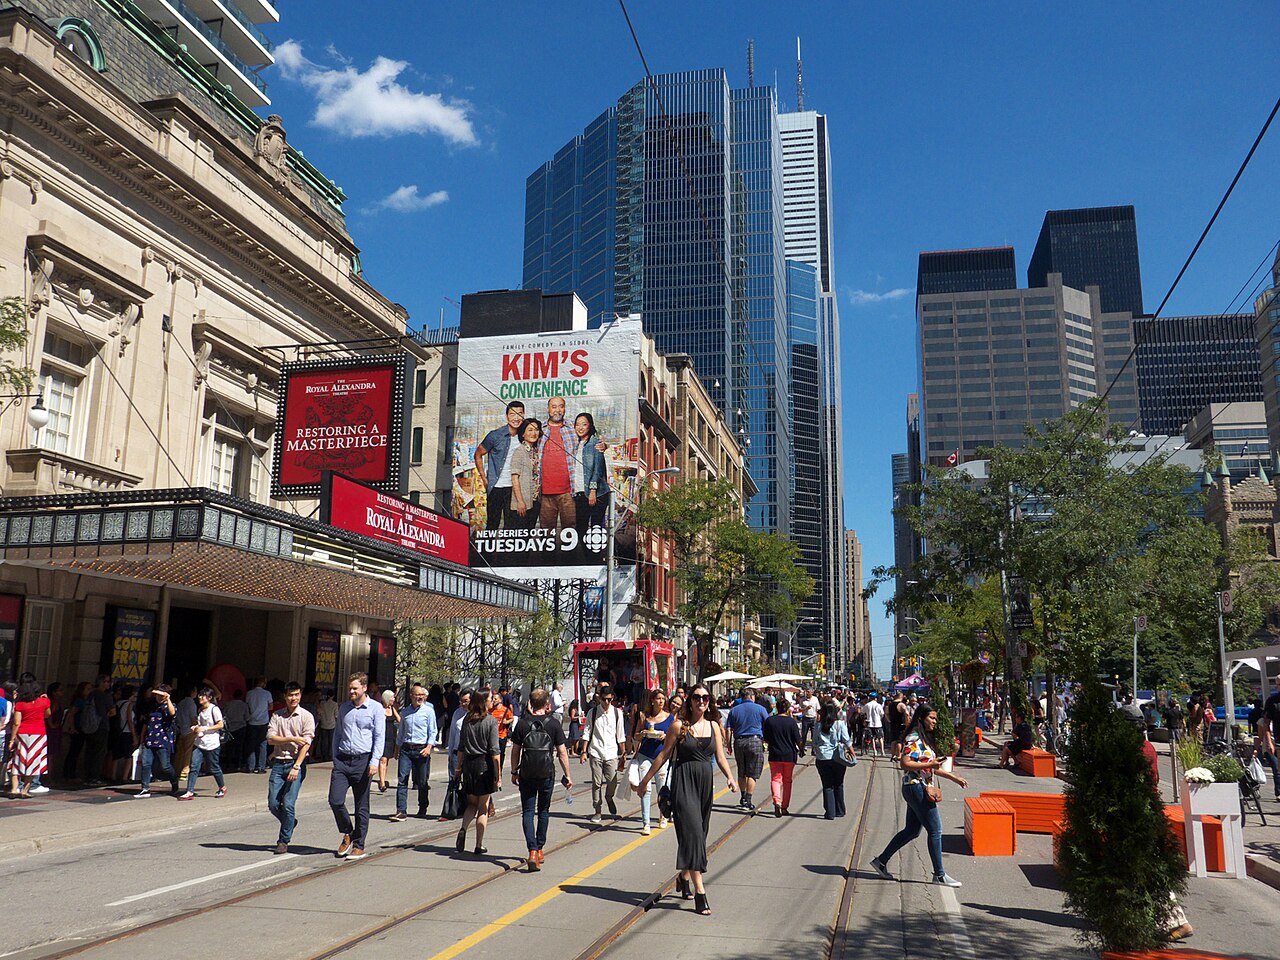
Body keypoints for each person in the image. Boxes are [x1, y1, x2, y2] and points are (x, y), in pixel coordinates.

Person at [634, 684, 737, 917]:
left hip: (704, 786)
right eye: (697, 698)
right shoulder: (679, 726)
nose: (702, 701)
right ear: (690, 701)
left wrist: (731, 778)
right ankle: (701, 893)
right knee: (693, 835)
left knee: (700, 835)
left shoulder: (713, 726)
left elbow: (720, 756)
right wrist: (644, 783)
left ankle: (683, 876)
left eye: (705, 698)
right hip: (683, 783)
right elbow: (662, 755)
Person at [870, 702, 969, 887]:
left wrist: (953, 777)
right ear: (922, 718)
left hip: (915, 786)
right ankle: (939, 875)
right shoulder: (914, 738)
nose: (935, 722)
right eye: (932, 718)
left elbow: (929, 766)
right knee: (935, 830)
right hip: (916, 787)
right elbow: (905, 764)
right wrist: (929, 766)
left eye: (936, 718)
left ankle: (881, 861)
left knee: (912, 831)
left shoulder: (921, 738)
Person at [510, 687, 573, 870]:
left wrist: (514, 772)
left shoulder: (522, 724)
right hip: (547, 774)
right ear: (547, 704)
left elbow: (515, 751)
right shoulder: (553, 724)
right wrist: (567, 775)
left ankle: (532, 850)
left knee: (528, 812)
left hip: (527, 774)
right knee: (543, 811)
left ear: (530, 703)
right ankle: (540, 848)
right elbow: (562, 753)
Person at [329, 672, 384, 861]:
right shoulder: (344, 708)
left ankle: (359, 845)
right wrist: (335, 758)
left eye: (355, 688)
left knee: (361, 805)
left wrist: (374, 761)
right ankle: (348, 832)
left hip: (363, 761)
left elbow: (379, 736)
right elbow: (337, 734)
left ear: (364, 688)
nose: (351, 691)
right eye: (349, 688)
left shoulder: (375, 708)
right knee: (335, 800)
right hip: (343, 760)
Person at [266, 681, 314, 854]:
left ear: (300, 695)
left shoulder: (307, 716)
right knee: (272, 803)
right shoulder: (277, 716)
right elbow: (270, 738)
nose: (294, 698)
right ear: (284, 697)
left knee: (288, 804)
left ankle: (283, 840)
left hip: (296, 764)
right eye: (290, 695)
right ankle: (289, 821)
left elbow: (306, 744)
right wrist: (292, 739)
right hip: (279, 763)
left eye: (296, 694)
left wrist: (297, 766)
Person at [455, 687, 500, 856]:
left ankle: (463, 828)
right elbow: (495, 752)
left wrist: (458, 769)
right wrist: (498, 775)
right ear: (484, 701)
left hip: (469, 765)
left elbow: (461, 748)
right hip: (484, 765)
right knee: (483, 807)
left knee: (471, 803)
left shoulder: (467, 719)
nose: (492, 701)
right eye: (490, 699)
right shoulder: (490, 721)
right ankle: (479, 844)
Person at [474, 400, 526, 530]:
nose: (516, 418)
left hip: (514, 488)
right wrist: (484, 478)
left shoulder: (525, 436)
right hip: (496, 487)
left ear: (523, 415)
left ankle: (506, 551)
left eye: (519, 414)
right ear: (507, 416)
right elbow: (478, 455)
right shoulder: (495, 435)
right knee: (492, 524)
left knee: (511, 526)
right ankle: (486, 551)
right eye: (512, 414)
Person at [579, 683, 627, 823]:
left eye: (609, 700)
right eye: (604, 699)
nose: (607, 702)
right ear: (599, 698)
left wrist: (623, 753)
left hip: (612, 752)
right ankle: (597, 810)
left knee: (612, 780)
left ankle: (609, 797)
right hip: (596, 751)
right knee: (596, 782)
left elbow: (620, 734)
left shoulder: (617, 713)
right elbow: (587, 732)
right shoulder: (592, 713)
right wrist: (583, 751)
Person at [630, 688, 674, 834]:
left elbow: (675, 737)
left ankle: (663, 816)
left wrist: (665, 736)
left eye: (663, 698)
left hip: (662, 756)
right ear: (652, 701)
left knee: (662, 788)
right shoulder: (644, 717)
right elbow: (635, 735)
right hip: (645, 755)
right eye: (658, 699)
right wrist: (642, 734)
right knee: (645, 788)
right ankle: (646, 823)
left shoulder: (670, 717)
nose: (661, 701)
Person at [393, 683, 437, 821]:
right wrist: (397, 748)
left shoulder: (428, 711)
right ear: (411, 696)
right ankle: (401, 810)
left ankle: (423, 806)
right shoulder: (405, 712)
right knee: (402, 780)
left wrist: (429, 747)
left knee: (422, 781)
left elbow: (433, 731)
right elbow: (401, 732)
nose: (420, 697)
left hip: (421, 749)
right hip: (406, 749)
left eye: (422, 695)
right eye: (417, 695)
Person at [724, 688, 769, 812]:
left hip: (739, 741)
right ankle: (748, 800)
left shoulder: (734, 711)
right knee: (752, 773)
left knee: (741, 771)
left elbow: (728, 729)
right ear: (752, 697)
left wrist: (728, 744)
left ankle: (743, 797)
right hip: (755, 740)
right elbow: (767, 725)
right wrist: (766, 740)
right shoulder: (760, 709)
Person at [537, 396, 577, 531]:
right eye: (554, 407)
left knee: (570, 531)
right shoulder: (539, 429)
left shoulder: (573, 427)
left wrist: (602, 445)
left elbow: (588, 441)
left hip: (568, 492)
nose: (557, 410)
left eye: (561, 406)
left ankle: (567, 554)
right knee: (546, 532)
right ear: (548, 409)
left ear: (565, 409)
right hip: (545, 492)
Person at [179, 687, 226, 800]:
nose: (200, 697)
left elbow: (220, 725)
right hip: (199, 742)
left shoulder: (214, 709)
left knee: (213, 767)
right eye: (200, 695)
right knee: (194, 766)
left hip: (212, 743)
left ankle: (222, 787)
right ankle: (190, 791)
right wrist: (196, 727)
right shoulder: (200, 710)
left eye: (203, 695)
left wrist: (205, 728)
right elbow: (199, 724)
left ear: (209, 698)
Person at [762, 694, 804, 817]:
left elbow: (766, 738)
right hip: (789, 755)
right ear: (787, 709)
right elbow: (798, 739)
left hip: (775, 754)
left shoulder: (770, 721)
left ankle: (777, 802)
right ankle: (784, 806)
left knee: (776, 779)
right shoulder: (791, 722)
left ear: (777, 708)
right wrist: (801, 749)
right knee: (787, 781)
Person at [813, 700, 856, 819]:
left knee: (827, 785)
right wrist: (853, 755)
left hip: (822, 758)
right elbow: (847, 741)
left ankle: (830, 812)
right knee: (839, 783)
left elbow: (815, 741)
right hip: (838, 758)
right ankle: (840, 810)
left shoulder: (818, 725)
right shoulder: (840, 724)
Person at [135, 684, 179, 798]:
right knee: (146, 764)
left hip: (163, 740)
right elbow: (146, 723)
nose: (158, 697)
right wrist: (141, 737)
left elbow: (172, 713)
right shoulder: (152, 707)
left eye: (160, 695)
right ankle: (145, 788)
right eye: (157, 695)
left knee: (165, 766)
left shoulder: (170, 706)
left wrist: (168, 699)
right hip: (149, 739)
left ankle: (174, 781)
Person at [8, 680, 51, 797]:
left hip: (22, 733)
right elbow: (47, 715)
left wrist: (12, 740)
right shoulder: (44, 702)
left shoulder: (20, 704)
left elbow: (16, 723)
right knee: (34, 761)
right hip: (39, 733)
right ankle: (25, 790)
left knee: (17, 761)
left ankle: (13, 788)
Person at [572, 412, 608, 537]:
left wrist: (593, 490)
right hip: (580, 493)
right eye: (577, 425)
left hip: (596, 494)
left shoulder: (595, 443)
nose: (580, 428)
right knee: (580, 529)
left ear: (590, 426)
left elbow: (598, 469)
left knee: (595, 532)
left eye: (584, 424)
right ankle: (588, 556)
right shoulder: (576, 445)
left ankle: (595, 557)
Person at [508, 417, 544, 530]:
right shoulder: (519, 451)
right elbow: (514, 478)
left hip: (535, 501)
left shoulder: (536, 451)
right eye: (530, 430)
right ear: (523, 433)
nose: (534, 433)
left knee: (529, 533)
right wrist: (520, 501)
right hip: (523, 502)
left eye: (536, 430)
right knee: (520, 536)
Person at [244, 677, 273, 774]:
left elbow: (247, 705)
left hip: (252, 721)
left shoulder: (249, 693)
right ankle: (261, 767)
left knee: (251, 745)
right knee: (263, 744)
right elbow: (271, 706)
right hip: (263, 721)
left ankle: (251, 766)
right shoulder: (267, 694)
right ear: (263, 683)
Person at [445, 689, 472, 786]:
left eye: (466, 701)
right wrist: (450, 753)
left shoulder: (476, 714)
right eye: (461, 701)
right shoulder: (457, 713)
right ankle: (453, 800)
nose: (463, 704)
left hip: (470, 754)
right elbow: (452, 734)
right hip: (456, 752)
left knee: (469, 784)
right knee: (453, 782)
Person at [489, 689, 515, 783]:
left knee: (501, 755)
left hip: (501, 736)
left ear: (500, 700)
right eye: (492, 699)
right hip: (492, 737)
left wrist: (506, 722)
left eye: (495, 699)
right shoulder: (490, 710)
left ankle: (499, 773)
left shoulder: (505, 710)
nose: (493, 700)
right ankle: (493, 773)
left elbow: (511, 718)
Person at [221, 689, 250, 771]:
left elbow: (224, 715)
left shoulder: (228, 704)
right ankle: (238, 765)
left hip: (230, 728)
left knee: (229, 747)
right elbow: (247, 718)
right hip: (241, 727)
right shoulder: (244, 705)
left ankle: (228, 764)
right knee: (239, 747)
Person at [379, 688, 400, 793]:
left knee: (386, 759)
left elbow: (399, 720)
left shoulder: (392, 708)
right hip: (382, 736)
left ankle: (383, 778)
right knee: (383, 759)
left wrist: (393, 709)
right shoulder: (379, 709)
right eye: (392, 697)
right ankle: (382, 783)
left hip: (391, 737)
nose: (393, 699)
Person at [315, 689, 339, 762]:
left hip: (323, 724)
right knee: (331, 741)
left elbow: (319, 713)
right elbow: (336, 715)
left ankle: (323, 755)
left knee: (324, 741)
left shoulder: (322, 703)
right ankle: (330, 755)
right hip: (332, 724)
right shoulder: (335, 704)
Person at [864, 692, 886, 758]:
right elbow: (882, 714)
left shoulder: (867, 705)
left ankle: (875, 751)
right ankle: (882, 751)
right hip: (878, 724)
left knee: (872, 738)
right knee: (880, 738)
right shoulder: (878, 705)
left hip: (870, 724)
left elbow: (862, 712)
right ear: (876, 698)